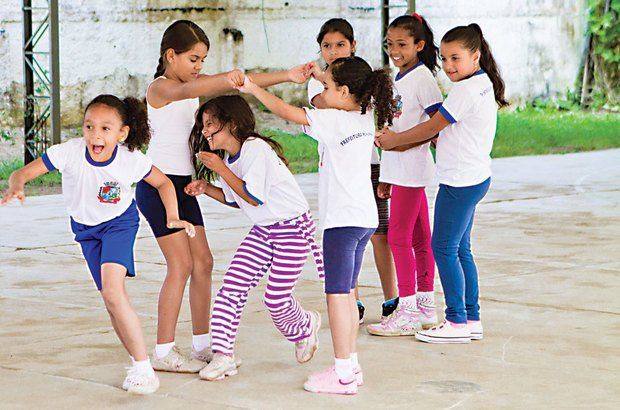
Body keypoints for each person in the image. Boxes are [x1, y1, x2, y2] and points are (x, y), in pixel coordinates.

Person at [138, 20, 316, 372]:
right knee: (181, 265)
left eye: (203, 60)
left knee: (203, 263)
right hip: (158, 186)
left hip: (183, 185)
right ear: (169, 55)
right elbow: (210, 85)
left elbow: (236, 84)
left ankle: (204, 345)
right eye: (193, 59)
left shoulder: (190, 85)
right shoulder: (159, 89)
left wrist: (286, 76)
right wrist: (229, 77)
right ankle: (163, 352)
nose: (198, 67)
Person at [1, 95, 195, 394]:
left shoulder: (131, 159)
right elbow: (21, 173)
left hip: (119, 224)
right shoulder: (69, 152)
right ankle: (137, 360)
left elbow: (164, 183)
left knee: (114, 292)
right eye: (89, 126)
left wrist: (172, 217)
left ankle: (144, 369)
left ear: (122, 133)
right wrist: (16, 187)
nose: (95, 135)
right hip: (86, 230)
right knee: (110, 299)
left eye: (105, 128)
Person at [233, 56, 394, 394]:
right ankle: (350, 365)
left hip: (341, 222)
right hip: (364, 218)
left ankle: (343, 374)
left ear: (345, 91)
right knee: (348, 296)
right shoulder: (364, 113)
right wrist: (322, 78)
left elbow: (286, 111)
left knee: (336, 297)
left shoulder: (335, 121)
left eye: (327, 85)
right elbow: (326, 98)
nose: (322, 89)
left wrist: (252, 87)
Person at [375, 23, 509, 343]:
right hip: (474, 176)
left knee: (443, 248)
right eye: (445, 58)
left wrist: (393, 142)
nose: (448, 66)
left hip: (460, 182)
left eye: (456, 58)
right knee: (460, 249)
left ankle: (456, 322)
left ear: (475, 56)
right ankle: (470, 317)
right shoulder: (482, 82)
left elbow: (430, 128)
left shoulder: (464, 90)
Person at [183, 95, 323, 380]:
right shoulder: (228, 159)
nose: (206, 131)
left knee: (276, 299)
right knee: (231, 288)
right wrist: (207, 188)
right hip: (264, 229)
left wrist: (219, 170)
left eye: (211, 124)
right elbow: (237, 199)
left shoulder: (254, 149)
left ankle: (305, 326)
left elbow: (254, 197)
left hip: (292, 228)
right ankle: (223, 356)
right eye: (204, 125)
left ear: (232, 124)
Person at [308, 17, 398, 324]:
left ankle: (392, 297)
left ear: (354, 45)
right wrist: (325, 79)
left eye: (340, 45)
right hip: (338, 166)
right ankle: (353, 301)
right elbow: (323, 103)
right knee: (346, 239)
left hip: (368, 164)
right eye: (327, 46)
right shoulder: (322, 82)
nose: (333, 51)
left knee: (378, 233)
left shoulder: (366, 79)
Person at [367, 13, 442, 337]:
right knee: (420, 238)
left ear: (419, 45)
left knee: (398, 238)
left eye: (402, 44)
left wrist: (398, 143)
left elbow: (437, 127)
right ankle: (426, 305)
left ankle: (408, 308)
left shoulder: (423, 78)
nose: (394, 50)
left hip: (412, 171)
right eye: (390, 44)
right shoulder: (399, 77)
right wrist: (386, 171)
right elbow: (395, 128)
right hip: (398, 171)